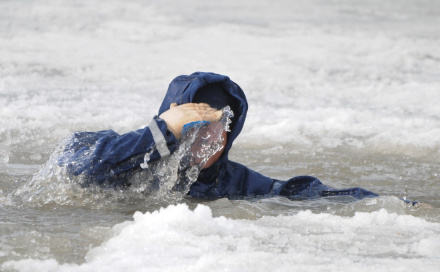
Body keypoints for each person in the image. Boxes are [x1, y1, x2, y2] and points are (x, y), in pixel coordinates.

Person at [58, 72, 380, 200]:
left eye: (218, 126)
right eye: (195, 122)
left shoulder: (233, 182)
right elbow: (74, 167)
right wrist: (159, 134)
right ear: (171, 116)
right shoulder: (123, 156)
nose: (206, 137)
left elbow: (297, 192)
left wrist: (389, 205)